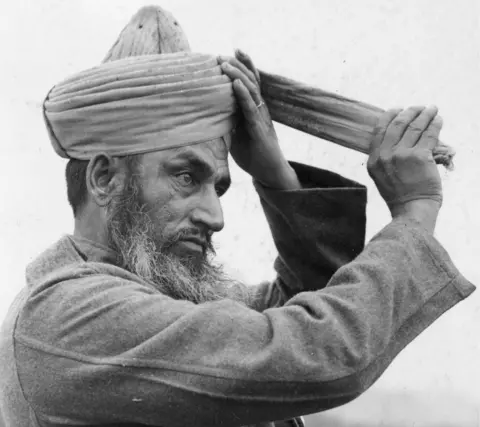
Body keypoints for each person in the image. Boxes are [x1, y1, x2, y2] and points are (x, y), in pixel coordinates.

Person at [0, 49, 474, 427]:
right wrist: (414, 212)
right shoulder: (67, 313)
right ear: (104, 178)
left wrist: (274, 174)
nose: (216, 216)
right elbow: (317, 350)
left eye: (220, 187)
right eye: (186, 176)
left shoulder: (158, 302)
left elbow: (311, 299)